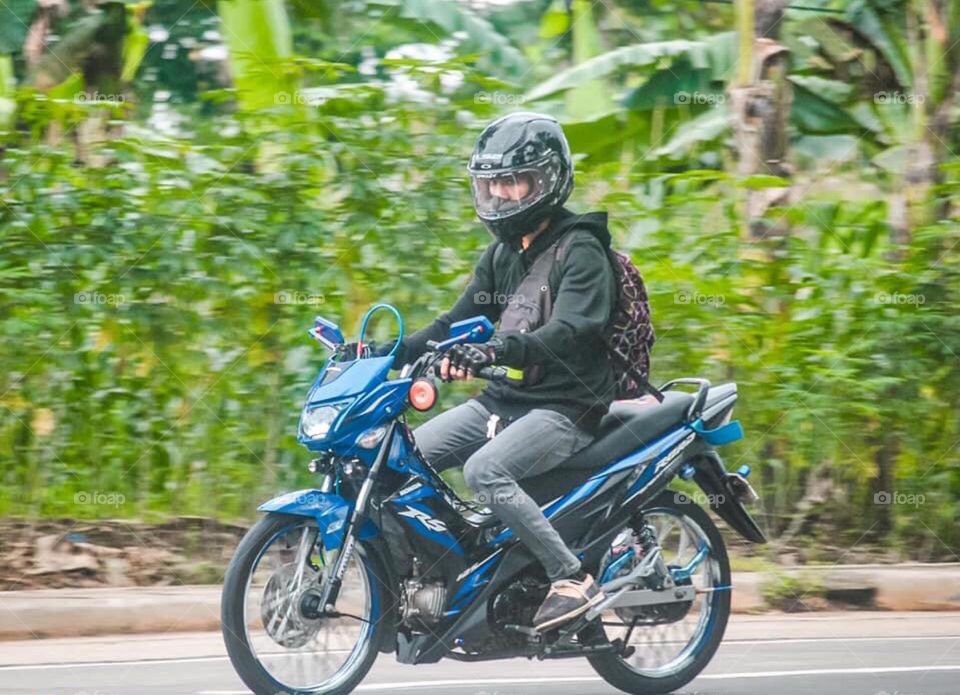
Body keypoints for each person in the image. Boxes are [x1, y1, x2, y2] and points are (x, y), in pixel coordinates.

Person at [387, 112, 618, 631]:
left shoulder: (581, 250)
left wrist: (495, 352)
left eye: (515, 181)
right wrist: (385, 352)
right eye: (494, 184)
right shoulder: (503, 254)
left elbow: (569, 332)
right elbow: (454, 322)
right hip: (504, 403)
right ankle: (450, 572)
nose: (503, 195)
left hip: (565, 407)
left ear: (548, 180)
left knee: (484, 473)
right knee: (405, 459)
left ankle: (570, 576)